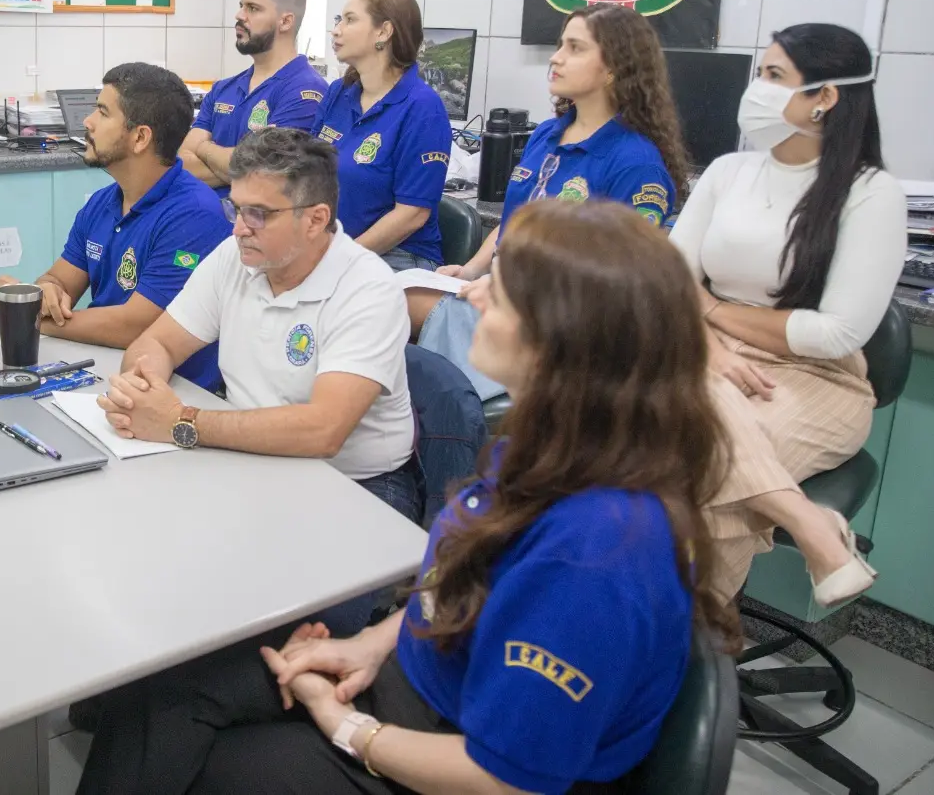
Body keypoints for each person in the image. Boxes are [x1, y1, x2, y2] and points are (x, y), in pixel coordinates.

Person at [77, 200, 738, 795]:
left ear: (560, 341)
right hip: (423, 683)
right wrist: (369, 646)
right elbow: (461, 573)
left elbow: (504, 779)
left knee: (209, 769)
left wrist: (345, 726)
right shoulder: (559, 450)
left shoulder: (596, 553)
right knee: (160, 695)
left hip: (463, 760)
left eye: (500, 295)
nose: (471, 294)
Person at [100, 128, 420, 632]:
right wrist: (144, 389)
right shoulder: (238, 258)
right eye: (235, 208)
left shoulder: (367, 290)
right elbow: (155, 343)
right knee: (153, 580)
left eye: (259, 214)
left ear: (316, 219)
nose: (238, 229)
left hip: (354, 488)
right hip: (249, 463)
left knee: (258, 627)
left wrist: (181, 420)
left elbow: (322, 431)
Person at [671, 24, 906, 604]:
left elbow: (834, 334)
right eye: (760, 74)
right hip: (700, 351)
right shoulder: (728, 172)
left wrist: (712, 309)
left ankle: (692, 643)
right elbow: (668, 279)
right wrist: (713, 347)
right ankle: (804, 520)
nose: (758, 89)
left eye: (775, 77)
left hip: (813, 379)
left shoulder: (870, 193)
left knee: (697, 467)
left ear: (826, 96)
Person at [406, 3, 692, 400]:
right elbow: (515, 224)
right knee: (387, 294)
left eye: (575, 48)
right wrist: (471, 271)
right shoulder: (547, 135)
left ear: (614, 68)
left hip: (562, 328)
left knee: (397, 306)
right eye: (561, 45)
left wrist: (508, 286)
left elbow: (619, 284)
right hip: (508, 295)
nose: (556, 57)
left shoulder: (635, 163)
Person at [0, 64, 230, 391]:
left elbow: (136, 325)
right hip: (104, 365)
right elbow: (59, 279)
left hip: (176, 390)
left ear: (140, 137)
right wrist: (44, 294)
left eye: (102, 112)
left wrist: (27, 317)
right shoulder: (103, 202)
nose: (87, 122)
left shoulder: (194, 213)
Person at [312, 0, 451, 271]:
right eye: (339, 19)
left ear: (384, 32)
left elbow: (412, 215)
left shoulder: (422, 107)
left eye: (350, 20)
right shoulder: (338, 92)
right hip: (333, 249)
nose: (336, 30)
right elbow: (307, 172)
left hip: (396, 256)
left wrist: (335, 262)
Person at [179, 0, 327, 197]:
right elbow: (183, 163)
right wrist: (236, 164)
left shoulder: (305, 92)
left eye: (253, 8)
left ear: (285, 21)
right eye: (241, 6)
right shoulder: (223, 89)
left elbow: (263, 175)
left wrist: (203, 148)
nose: (239, 15)